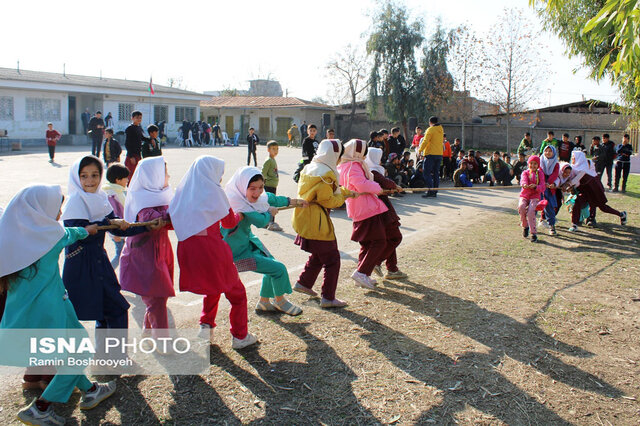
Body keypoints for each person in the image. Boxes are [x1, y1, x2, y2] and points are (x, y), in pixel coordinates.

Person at [0, 185, 116, 426]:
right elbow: (71, 233)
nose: (60, 212)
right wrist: (88, 230)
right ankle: (41, 407)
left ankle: (91, 389)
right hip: (53, 310)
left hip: (30, 313)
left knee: (69, 353)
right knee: (80, 353)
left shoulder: (11, 238)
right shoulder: (50, 236)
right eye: (56, 207)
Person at [168, 156, 258, 349]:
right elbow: (228, 223)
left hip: (189, 250)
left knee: (213, 286)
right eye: (219, 175)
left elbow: (171, 219)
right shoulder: (215, 192)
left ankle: (206, 326)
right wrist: (239, 215)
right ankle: (240, 336)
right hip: (213, 250)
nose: (220, 179)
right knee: (237, 294)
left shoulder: (182, 191)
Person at [61, 156, 149, 340]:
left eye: (95, 175)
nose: (90, 181)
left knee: (105, 312)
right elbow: (80, 238)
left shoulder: (100, 197)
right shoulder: (74, 202)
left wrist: (146, 226)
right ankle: (116, 358)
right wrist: (107, 222)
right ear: (77, 178)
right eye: (84, 176)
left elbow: (118, 227)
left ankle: (105, 358)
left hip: (100, 262)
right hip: (83, 267)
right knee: (116, 310)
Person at [222, 167, 307, 316]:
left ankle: (264, 302)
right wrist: (269, 213)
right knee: (278, 269)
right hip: (235, 254)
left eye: (260, 187)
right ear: (242, 187)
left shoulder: (253, 198)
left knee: (271, 264)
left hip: (247, 242)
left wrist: (294, 201)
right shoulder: (238, 205)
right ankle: (280, 301)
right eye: (252, 188)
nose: (257, 192)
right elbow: (261, 222)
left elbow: (270, 198)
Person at [119, 157, 174, 338]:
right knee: (156, 297)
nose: (168, 176)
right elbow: (150, 219)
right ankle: (161, 339)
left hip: (160, 252)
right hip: (146, 257)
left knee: (159, 296)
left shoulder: (161, 196)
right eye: (165, 173)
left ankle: (148, 332)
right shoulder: (143, 201)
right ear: (153, 177)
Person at [292, 139, 349, 308]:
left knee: (319, 253)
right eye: (339, 156)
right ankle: (328, 297)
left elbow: (323, 194)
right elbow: (328, 200)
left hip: (305, 217)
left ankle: (304, 283)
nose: (339, 160)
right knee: (332, 258)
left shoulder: (310, 167)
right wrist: (342, 197)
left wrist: (346, 192)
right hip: (317, 220)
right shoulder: (326, 174)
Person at [337, 139, 389, 289]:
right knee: (379, 242)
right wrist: (378, 187)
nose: (365, 155)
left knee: (367, 244)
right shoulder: (353, 166)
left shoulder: (345, 165)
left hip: (360, 208)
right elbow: (361, 185)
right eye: (364, 152)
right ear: (357, 152)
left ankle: (363, 275)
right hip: (366, 208)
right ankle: (361, 272)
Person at [364, 148, 407, 280]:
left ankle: (392, 269)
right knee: (395, 237)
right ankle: (377, 262)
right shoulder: (373, 171)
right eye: (379, 156)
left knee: (390, 238)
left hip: (377, 207)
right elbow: (385, 183)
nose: (381, 160)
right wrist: (395, 186)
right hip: (381, 208)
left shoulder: (367, 169)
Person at [563, 151, 627, 231]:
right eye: (572, 157)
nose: (572, 159)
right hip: (584, 190)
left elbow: (575, 180)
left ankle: (621, 214)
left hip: (594, 189)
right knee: (577, 202)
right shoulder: (573, 167)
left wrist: (567, 185)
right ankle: (574, 224)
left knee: (602, 207)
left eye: (574, 157)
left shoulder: (583, 168)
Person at [103, 164, 130, 269]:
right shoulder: (112, 194)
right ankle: (106, 273)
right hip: (118, 231)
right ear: (118, 180)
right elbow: (113, 215)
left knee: (124, 254)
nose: (127, 180)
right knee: (120, 255)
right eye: (125, 178)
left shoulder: (118, 191)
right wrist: (115, 234)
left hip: (122, 230)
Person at [518, 155, 546, 242]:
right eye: (531, 163)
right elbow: (523, 180)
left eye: (535, 164)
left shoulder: (540, 174)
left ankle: (533, 233)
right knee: (521, 207)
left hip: (535, 196)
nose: (533, 166)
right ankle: (525, 226)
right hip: (525, 195)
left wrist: (536, 187)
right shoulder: (525, 173)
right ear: (528, 164)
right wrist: (524, 184)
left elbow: (542, 186)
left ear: (538, 165)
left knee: (531, 211)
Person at [418, 116, 444, 198]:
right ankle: (435, 191)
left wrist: (420, 150)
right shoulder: (441, 129)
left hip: (430, 154)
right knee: (436, 173)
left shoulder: (430, 129)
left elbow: (425, 141)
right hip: (439, 154)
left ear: (430, 122)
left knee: (426, 173)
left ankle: (430, 191)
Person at [539, 146, 560, 236]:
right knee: (534, 204)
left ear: (554, 153)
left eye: (550, 151)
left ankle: (552, 226)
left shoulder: (556, 163)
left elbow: (555, 174)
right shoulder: (540, 161)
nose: (547, 153)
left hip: (550, 187)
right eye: (546, 151)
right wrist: (543, 183)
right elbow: (540, 172)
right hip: (540, 186)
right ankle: (529, 225)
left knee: (549, 206)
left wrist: (549, 183)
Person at [261, 141, 283, 231]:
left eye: (277, 149)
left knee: (270, 203)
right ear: (268, 150)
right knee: (271, 203)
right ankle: (270, 223)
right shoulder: (268, 160)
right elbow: (263, 173)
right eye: (273, 149)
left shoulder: (273, 159)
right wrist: (262, 184)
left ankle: (267, 222)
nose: (276, 151)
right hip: (268, 186)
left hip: (272, 186)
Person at [124, 111, 148, 176]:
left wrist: (151, 139)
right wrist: (131, 156)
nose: (139, 119)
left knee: (138, 174)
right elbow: (127, 143)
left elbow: (142, 138)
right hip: (132, 155)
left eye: (140, 118)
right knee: (131, 174)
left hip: (138, 154)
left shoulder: (139, 128)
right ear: (132, 118)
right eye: (137, 118)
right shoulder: (130, 128)